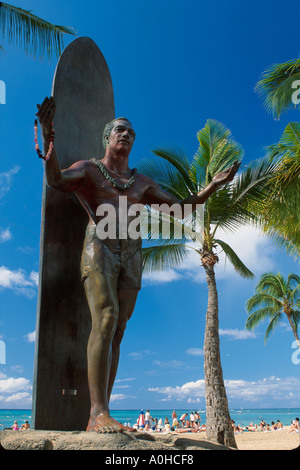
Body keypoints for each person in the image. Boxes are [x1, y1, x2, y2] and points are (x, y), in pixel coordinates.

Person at [36, 96, 240, 433]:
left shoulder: (141, 183)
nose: (126, 135)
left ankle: (103, 414)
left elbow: (181, 209)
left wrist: (212, 187)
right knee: (106, 316)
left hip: (132, 254)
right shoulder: (88, 169)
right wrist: (48, 139)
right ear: (106, 138)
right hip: (99, 247)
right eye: (119, 130)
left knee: (118, 331)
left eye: (130, 132)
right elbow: (56, 181)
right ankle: (96, 413)